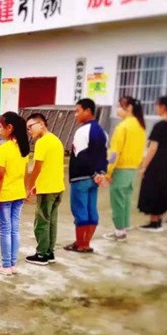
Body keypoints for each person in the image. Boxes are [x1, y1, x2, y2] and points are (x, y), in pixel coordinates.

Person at [64, 98, 108, 253]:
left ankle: (81, 244)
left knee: (80, 211)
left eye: (78, 111)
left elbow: (80, 156)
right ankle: (86, 243)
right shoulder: (102, 132)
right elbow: (103, 156)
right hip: (95, 180)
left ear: (88, 111)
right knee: (91, 210)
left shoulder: (82, 131)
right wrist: (100, 174)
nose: (76, 115)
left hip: (81, 178)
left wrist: (93, 173)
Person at [0, 112, 29, 275]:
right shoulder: (23, 148)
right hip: (19, 193)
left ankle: (5, 265)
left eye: (1, 126)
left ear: (10, 128)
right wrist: (25, 191)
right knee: (14, 229)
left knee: (5, 229)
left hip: (5, 194)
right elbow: (25, 173)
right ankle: (12, 264)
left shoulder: (4, 149)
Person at [103, 97, 146, 241]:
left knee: (118, 200)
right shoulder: (140, 126)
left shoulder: (123, 127)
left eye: (120, 106)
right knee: (125, 199)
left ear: (129, 108)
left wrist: (108, 170)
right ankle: (123, 228)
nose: (117, 109)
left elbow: (114, 152)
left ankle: (119, 231)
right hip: (132, 168)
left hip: (121, 169)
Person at [25, 114, 65, 265]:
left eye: (31, 127)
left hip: (47, 189)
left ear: (41, 124)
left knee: (42, 221)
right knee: (51, 221)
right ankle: (49, 252)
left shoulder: (42, 142)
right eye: (27, 128)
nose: (29, 131)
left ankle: (41, 254)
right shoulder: (56, 140)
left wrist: (29, 186)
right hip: (57, 187)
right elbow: (51, 166)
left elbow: (37, 168)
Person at [137, 97, 167, 232]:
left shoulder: (159, 125)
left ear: (163, 107)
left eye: (157, 105)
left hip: (155, 161)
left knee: (153, 189)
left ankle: (154, 222)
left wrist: (144, 166)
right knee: (162, 189)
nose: (156, 108)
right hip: (166, 160)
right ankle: (158, 220)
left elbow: (153, 148)